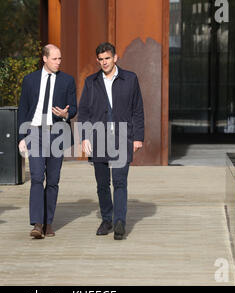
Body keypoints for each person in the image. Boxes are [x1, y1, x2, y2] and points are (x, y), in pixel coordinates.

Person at [77, 42, 144, 240]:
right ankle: (107, 219)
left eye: (107, 58)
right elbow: (84, 113)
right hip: (99, 138)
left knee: (120, 181)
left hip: (123, 137)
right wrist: (84, 137)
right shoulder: (91, 82)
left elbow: (137, 110)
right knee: (103, 184)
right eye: (101, 59)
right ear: (97, 60)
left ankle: (119, 222)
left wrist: (138, 137)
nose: (104, 62)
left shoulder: (130, 79)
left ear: (115, 58)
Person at [17, 44, 77, 239]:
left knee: (52, 180)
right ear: (44, 58)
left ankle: (49, 222)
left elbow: (74, 108)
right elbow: (23, 109)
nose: (58, 62)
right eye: (54, 59)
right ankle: (37, 223)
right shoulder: (30, 80)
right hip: (34, 132)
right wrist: (21, 137)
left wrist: (66, 114)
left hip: (56, 133)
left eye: (60, 59)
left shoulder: (67, 80)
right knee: (36, 177)